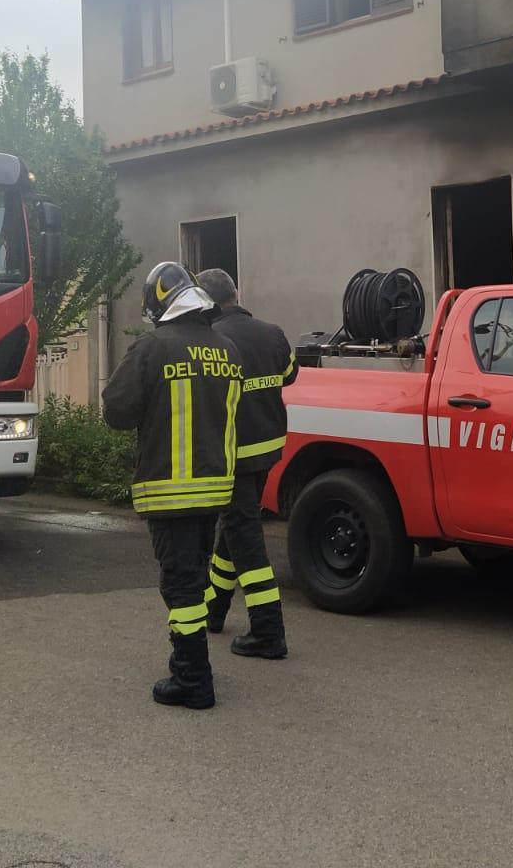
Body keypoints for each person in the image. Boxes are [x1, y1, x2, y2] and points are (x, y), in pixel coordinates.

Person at [103, 262, 244, 710]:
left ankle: (192, 679)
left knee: (180, 586)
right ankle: (191, 666)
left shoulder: (152, 347)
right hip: (215, 489)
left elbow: (116, 412)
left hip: (170, 490)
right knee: (196, 578)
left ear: (160, 304)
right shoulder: (227, 348)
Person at [196, 268, 298, 659]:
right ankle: (214, 609)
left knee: (245, 536)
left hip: (233, 453)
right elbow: (290, 375)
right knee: (235, 528)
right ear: (235, 294)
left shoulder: (212, 340)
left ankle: (268, 631)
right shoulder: (272, 333)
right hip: (268, 449)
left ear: (207, 303)